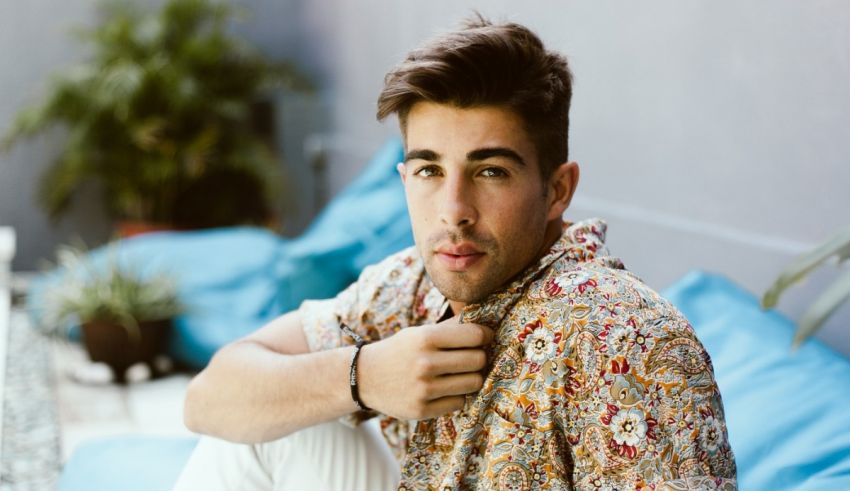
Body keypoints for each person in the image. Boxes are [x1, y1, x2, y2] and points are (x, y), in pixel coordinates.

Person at [176, 14, 737, 490]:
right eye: (428, 170)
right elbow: (208, 400)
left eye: (490, 171)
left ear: (557, 190)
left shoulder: (625, 337)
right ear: (403, 177)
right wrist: (363, 377)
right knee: (282, 424)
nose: (453, 210)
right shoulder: (414, 282)